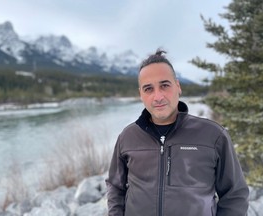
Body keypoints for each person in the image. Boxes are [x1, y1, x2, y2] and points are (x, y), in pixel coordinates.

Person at [105, 49, 249, 216]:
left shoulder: (214, 136)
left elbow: (235, 195)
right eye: (148, 89)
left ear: (178, 86)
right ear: (141, 95)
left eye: (164, 85)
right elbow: (115, 187)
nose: (157, 96)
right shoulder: (127, 137)